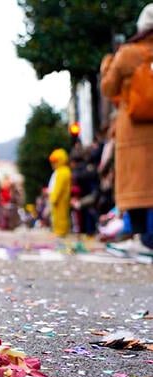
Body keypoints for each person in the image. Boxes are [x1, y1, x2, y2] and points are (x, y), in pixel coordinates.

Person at [100, 3, 153, 251]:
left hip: (135, 129)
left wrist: (108, 62)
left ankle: (144, 238)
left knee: (137, 186)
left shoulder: (130, 53)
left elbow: (108, 88)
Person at [48, 148, 71, 238]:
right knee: (57, 215)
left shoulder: (62, 172)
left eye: (55, 161)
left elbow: (58, 187)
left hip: (60, 198)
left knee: (61, 215)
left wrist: (54, 198)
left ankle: (61, 231)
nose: (53, 164)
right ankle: (58, 231)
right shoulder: (60, 171)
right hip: (57, 198)